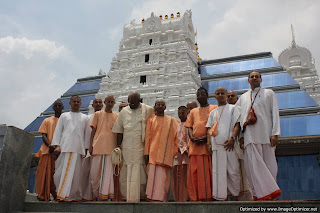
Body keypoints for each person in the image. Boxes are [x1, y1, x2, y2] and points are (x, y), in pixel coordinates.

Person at [236, 71, 281, 200]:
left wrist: (275, 134)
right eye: (252, 77)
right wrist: (241, 136)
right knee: (252, 167)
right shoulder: (243, 97)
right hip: (249, 136)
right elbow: (239, 118)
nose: (254, 78)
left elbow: (275, 113)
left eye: (257, 76)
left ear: (261, 79)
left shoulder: (269, 93)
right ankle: (258, 194)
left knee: (270, 165)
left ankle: (271, 193)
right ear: (248, 80)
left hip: (266, 135)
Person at [112, 92, 154, 202]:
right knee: (126, 171)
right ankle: (127, 196)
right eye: (129, 102)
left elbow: (152, 128)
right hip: (127, 146)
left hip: (141, 146)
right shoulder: (124, 111)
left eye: (133, 103)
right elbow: (119, 130)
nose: (130, 105)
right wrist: (118, 146)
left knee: (140, 171)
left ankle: (140, 195)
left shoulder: (148, 110)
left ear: (139, 101)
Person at [206, 87, 241, 201]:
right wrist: (208, 143)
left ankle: (235, 197)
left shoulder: (233, 108)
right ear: (215, 97)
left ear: (226, 95)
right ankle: (221, 198)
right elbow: (209, 129)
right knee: (218, 173)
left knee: (233, 172)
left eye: (222, 93)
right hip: (217, 147)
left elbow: (237, 124)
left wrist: (232, 138)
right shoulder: (212, 112)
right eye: (218, 93)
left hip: (230, 145)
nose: (220, 95)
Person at [52, 95, 88, 201]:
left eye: (78, 101)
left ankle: (70, 196)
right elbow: (58, 131)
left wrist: (86, 149)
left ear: (81, 103)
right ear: (70, 103)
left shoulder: (85, 117)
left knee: (76, 175)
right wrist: (57, 145)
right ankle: (61, 194)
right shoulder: (64, 115)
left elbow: (87, 135)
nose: (76, 103)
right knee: (60, 173)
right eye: (74, 101)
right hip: (65, 147)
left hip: (78, 149)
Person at [184, 87, 217, 201]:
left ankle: (207, 196)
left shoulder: (214, 108)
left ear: (207, 95)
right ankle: (194, 196)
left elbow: (216, 125)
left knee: (206, 172)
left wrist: (206, 138)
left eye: (202, 94)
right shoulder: (193, 111)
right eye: (198, 94)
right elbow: (189, 126)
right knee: (194, 172)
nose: (200, 96)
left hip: (207, 145)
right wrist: (192, 137)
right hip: (194, 146)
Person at [144, 99, 179, 202]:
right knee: (152, 176)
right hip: (153, 152)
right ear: (154, 107)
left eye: (162, 105)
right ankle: (150, 197)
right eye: (157, 104)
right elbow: (147, 138)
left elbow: (177, 137)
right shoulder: (150, 120)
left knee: (163, 177)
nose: (160, 106)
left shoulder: (172, 121)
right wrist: (146, 153)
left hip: (166, 153)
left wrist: (173, 152)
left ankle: (161, 197)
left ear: (165, 107)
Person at [89, 95, 118, 200]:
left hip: (111, 148)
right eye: (108, 102)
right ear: (104, 103)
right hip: (97, 146)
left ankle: (104, 195)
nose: (110, 104)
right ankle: (96, 194)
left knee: (107, 173)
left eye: (112, 102)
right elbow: (93, 131)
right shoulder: (97, 114)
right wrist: (90, 146)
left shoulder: (116, 116)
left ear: (114, 104)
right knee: (95, 173)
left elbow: (119, 133)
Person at [36, 100, 64, 201]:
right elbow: (43, 134)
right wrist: (50, 146)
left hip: (60, 153)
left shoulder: (64, 121)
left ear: (62, 107)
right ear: (53, 107)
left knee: (56, 175)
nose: (57, 107)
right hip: (47, 151)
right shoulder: (47, 120)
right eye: (55, 105)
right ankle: (42, 195)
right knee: (43, 174)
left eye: (59, 105)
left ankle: (57, 195)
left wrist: (58, 148)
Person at [228, 92, 253, 201]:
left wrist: (237, 138)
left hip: (238, 142)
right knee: (232, 171)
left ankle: (246, 198)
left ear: (237, 98)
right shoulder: (224, 110)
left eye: (232, 96)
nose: (230, 98)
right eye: (228, 96)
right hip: (228, 146)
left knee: (243, 170)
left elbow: (240, 125)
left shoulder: (240, 108)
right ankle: (234, 196)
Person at [80, 98, 103, 201]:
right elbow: (86, 134)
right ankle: (87, 195)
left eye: (100, 102)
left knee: (99, 173)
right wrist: (86, 148)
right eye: (96, 102)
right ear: (92, 105)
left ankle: (99, 194)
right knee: (88, 173)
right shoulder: (87, 118)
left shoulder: (105, 116)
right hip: (90, 149)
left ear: (103, 105)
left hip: (102, 149)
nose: (98, 104)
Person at [172, 106, 189, 202]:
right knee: (178, 179)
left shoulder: (190, 125)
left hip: (187, 155)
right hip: (178, 155)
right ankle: (179, 199)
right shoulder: (177, 125)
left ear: (187, 113)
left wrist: (185, 149)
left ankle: (188, 198)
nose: (181, 115)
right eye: (179, 113)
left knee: (187, 179)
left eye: (183, 112)